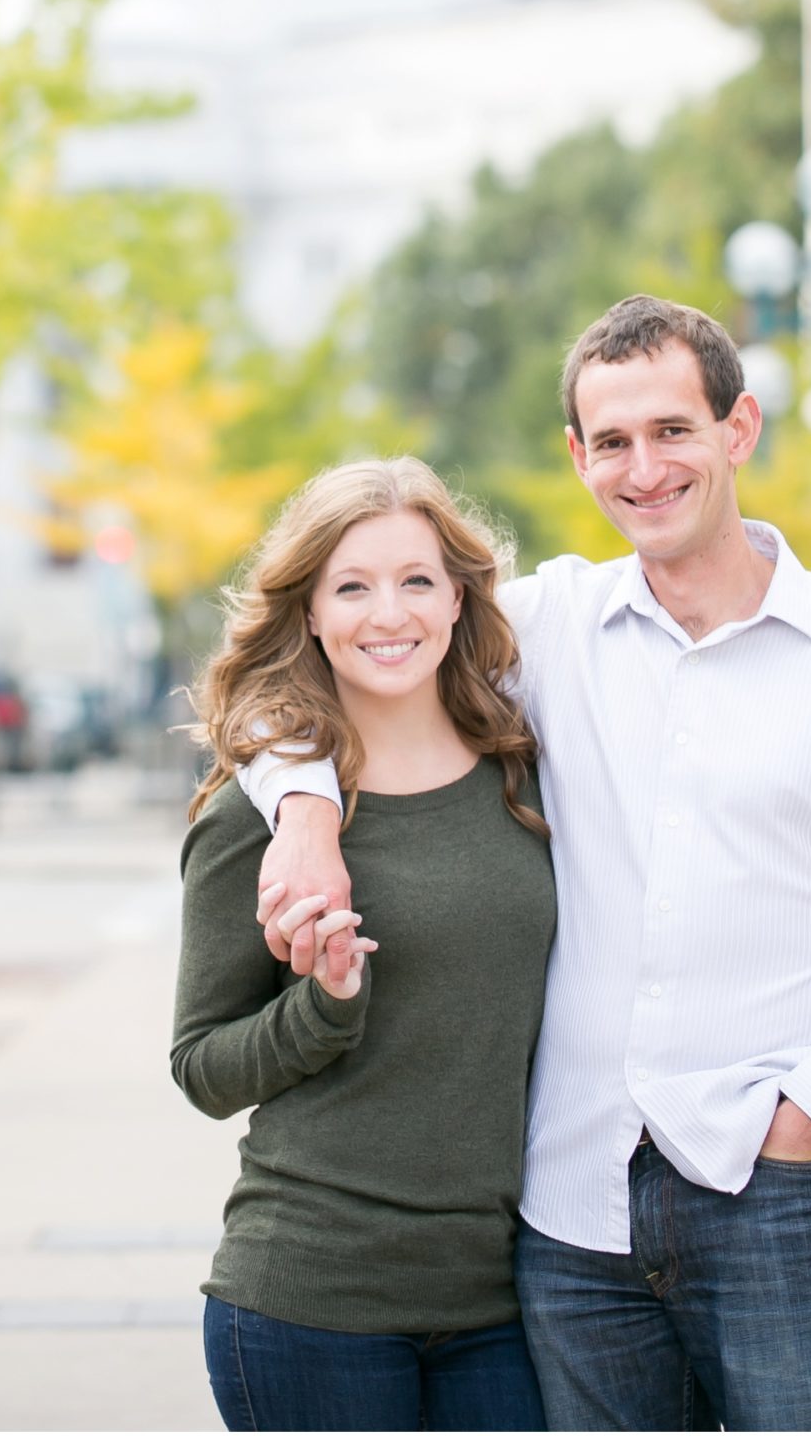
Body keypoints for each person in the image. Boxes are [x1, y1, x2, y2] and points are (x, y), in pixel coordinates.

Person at [248, 294, 811, 1434]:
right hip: (575, 1216)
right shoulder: (545, 627)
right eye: (612, 441)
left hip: (786, 1198)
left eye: (673, 430)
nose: (644, 468)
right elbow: (342, 664)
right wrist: (306, 811)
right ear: (578, 455)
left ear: (739, 428)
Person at [171, 457, 555, 1431]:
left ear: (459, 598)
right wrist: (323, 1006)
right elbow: (203, 1067)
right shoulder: (256, 816)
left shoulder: (527, 773)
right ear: (309, 611)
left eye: (416, 580)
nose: (389, 613)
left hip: (499, 1302)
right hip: (310, 1299)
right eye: (352, 585)